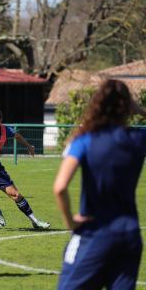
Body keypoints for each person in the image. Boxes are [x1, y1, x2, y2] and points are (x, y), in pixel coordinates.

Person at [54, 79, 146, 290]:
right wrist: (141, 111)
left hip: (94, 233)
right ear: (128, 107)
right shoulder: (138, 139)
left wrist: (70, 222)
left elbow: (60, 187)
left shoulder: (85, 140)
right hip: (129, 236)